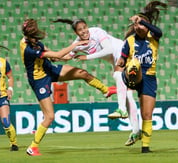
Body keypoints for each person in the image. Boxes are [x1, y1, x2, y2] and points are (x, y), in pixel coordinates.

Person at [20, 19, 115, 156]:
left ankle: (105, 90)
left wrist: (64, 55)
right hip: (39, 80)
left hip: (49, 69)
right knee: (50, 116)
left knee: (82, 73)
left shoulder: (32, 41)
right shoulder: (29, 49)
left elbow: (52, 54)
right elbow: (57, 54)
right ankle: (33, 147)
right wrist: (76, 45)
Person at [52, 18, 140, 146]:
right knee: (127, 95)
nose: (83, 32)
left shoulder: (97, 32)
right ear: (76, 33)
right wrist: (55, 58)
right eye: (80, 30)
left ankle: (122, 111)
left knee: (117, 75)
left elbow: (109, 49)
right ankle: (136, 131)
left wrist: (86, 57)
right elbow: (68, 56)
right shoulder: (78, 43)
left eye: (84, 28)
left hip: (123, 51)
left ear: (87, 26)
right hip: (115, 59)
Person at [116, 1, 167, 153]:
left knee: (147, 113)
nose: (137, 27)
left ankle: (145, 147)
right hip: (133, 75)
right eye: (136, 25)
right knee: (134, 65)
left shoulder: (153, 37)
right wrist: (121, 62)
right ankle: (129, 79)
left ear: (147, 25)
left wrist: (142, 21)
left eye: (141, 24)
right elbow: (122, 59)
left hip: (149, 78)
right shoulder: (129, 41)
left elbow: (159, 32)